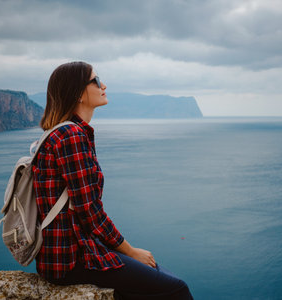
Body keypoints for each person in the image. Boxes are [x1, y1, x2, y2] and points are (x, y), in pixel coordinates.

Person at [32, 61, 193, 300]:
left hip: (68, 252)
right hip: (71, 259)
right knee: (177, 289)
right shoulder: (70, 136)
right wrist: (131, 251)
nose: (103, 85)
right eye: (96, 81)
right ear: (78, 92)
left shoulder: (63, 132)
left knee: (159, 277)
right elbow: (90, 211)